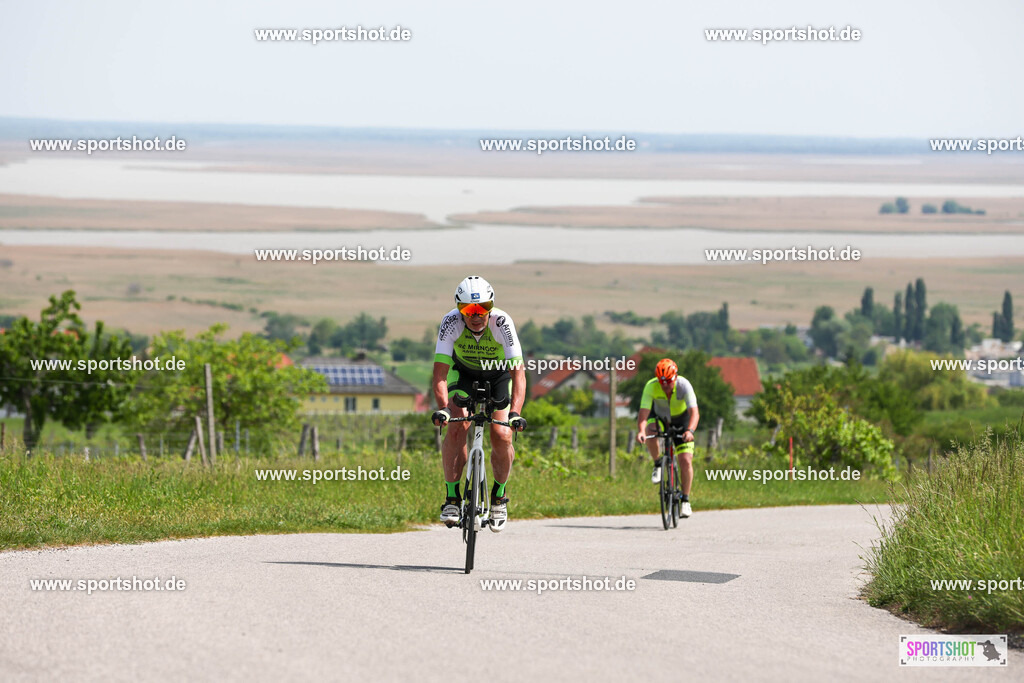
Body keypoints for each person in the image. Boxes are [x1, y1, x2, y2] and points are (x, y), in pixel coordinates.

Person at [430, 276, 527, 532]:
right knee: (456, 426)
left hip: (498, 377)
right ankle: (452, 497)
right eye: (469, 310)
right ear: (460, 310)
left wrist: (515, 413)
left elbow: (518, 373)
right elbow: (440, 372)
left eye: (483, 308)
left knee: (502, 434)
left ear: (491, 307)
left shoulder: (502, 322)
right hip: (463, 375)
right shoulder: (450, 322)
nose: (476, 315)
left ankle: (499, 497)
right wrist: (443, 407)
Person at [635, 358, 699, 517]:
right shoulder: (651, 386)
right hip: (660, 418)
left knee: (685, 459)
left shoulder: (684, 385)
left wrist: (690, 431)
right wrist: (641, 431)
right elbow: (643, 413)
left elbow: (694, 413)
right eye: (661, 381)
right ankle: (658, 463)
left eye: (668, 381)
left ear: (675, 377)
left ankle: (685, 500)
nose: (665, 385)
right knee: (651, 430)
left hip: (681, 420)